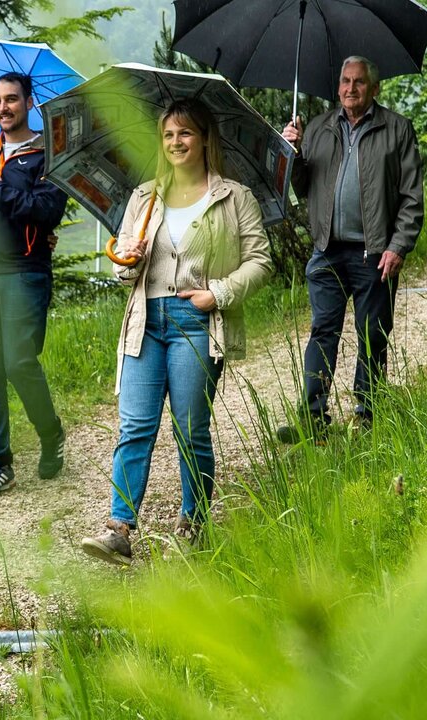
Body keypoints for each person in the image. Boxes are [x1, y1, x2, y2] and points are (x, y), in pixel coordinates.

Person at [79, 99, 272, 565]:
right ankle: (119, 529)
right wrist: (129, 258)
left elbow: (261, 261)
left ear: (204, 138)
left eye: (185, 134)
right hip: (146, 320)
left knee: (190, 429)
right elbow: (124, 275)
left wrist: (218, 293)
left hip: (197, 321)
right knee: (136, 426)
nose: (176, 143)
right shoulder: (145, 197)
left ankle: (195, 521)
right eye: (168, 136)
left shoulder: (233, 197)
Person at [276, 56, 424, 442]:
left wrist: (398, 246)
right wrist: (292, 152)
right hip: (327, 250)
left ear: (375, 89)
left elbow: (411, 198)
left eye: (359, 82)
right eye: (345, 81)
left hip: (375, 252)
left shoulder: (397, 130)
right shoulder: (320, 128)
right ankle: (313, 420)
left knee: (372, 333)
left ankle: (368, 416)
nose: (350, 88)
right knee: (322, 331)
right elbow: (303, 187)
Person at [0, 71, 69, 501]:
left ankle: (51, 433)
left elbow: (47, 212)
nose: (2, 108)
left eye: (11, 100)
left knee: (20, 362)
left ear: (28, 102)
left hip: (23, 275)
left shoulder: (49, 156)